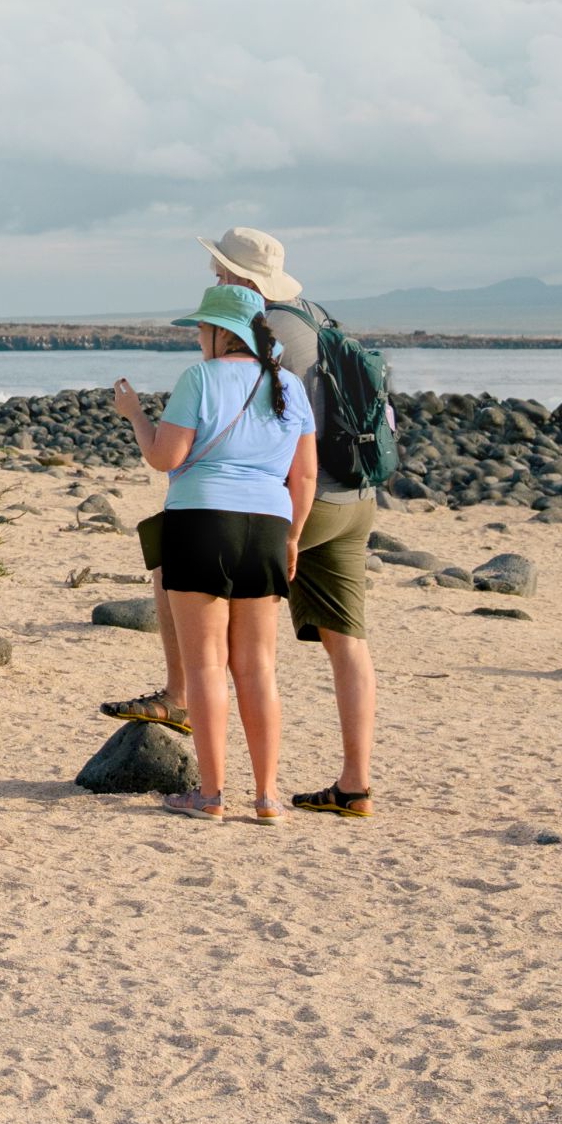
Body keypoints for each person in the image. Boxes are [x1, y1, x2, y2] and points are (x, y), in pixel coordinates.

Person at [104, 280, 314, 821]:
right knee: (258, 668)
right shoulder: (289, 384)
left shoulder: (200, 377)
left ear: (222, 333)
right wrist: (292, 537)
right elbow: (305, 475)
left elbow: (164, 456)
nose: (198, 337)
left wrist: (134, 414)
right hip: (268, 525)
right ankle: (267, 796)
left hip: (201, 522)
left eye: (201, 328)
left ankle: (213, 794)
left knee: (205, 666)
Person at [205, 225, 384, 820]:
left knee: (192, 582)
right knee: (348, 642)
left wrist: (288, 529)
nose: (215, 279)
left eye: (221, 271)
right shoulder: (317, 316)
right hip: (355, 494)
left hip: (300, 502)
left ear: (240, 279)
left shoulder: (265, 331)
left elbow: (241, 415)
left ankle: (182, 706)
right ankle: (354, 784)